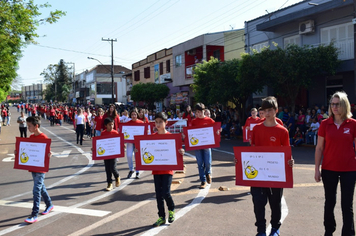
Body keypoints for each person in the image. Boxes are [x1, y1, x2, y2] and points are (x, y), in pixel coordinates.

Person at [250, 96, 294, 236]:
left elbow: (287, 153)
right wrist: (241, 161)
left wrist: (290, 161)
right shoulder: (256, 129)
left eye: (270, 110)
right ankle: (261, 230)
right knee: (258, 202)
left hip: (276, 173)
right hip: (259, 174)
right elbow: (252, 151)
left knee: (275, 203)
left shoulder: (282, 131)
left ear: (276, 110)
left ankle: (275, 228)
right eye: (264, 110)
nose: (267, 113)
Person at [315, 91, 356, 236]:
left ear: (344, 105)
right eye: (332, 104)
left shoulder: (353, 124)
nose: (334, 107)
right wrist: (316, 169)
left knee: (347, 204)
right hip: (329, 168)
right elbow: (319, 148)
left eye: (337, 104)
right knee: (329, 202)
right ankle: (329, 230)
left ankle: (348, 233)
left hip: (349, 169)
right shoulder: (325, 124)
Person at [151, 112, 185, 227]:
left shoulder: (172, 137)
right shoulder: (152, 137)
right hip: (156, 170)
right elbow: (147, 150)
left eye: (161, 122)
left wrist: (181, 152)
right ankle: (161, 216)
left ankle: (171, 209)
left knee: (165, 192)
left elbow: (178, 150)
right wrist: (138, 151)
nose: (158, 124)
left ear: (166, 123)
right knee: (158, 195)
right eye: (156, 122)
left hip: (168, 170)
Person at [17, 116, 54, 223]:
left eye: (29, 126)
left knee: (36, 190)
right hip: (33, 167)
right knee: (41, 188)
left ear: (36, 126)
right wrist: (17, 153)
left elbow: (48, 152)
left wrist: (49, 154)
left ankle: (34, 214)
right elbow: (25, 151)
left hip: (41, 168)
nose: (28, 128)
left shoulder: (44, 138)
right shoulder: (31, 138)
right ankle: (49, 204)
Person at [191, 103, 216, 189]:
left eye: (200, 112)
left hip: (207, 144)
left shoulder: (209, 120)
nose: (198, 114)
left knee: (208, 162)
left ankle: (208, 173)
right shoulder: (193, 121)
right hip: (197, 145)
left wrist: (218, 130)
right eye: (197, 112)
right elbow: (190, 132)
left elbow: (215, 128)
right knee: (200, 163)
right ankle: (203, 180)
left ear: (204, 111)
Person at [100, 117, 121, 191]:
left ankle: (117, 176)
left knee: (113, 167)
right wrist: (95, 149)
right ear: (106, 125)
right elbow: (101, 144)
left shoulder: (115, 132)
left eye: (112, 124)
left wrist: (122, 145)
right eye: (109, 125)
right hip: (106, 154)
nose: (111, 126)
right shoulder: (103, 133)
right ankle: (109, 183)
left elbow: (119, 142)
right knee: (107, 169)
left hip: (114, 154)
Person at [126, 108, 143, 179]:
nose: (133, 116)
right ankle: (131, 169)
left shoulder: (141, 123)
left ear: (137, 115)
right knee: (129, 155)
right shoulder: (127, 123)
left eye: (135, 114)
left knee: (137, 156)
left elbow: (144, 133)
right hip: (130, 141)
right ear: (130, 115)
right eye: (132, 114)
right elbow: (124, 132)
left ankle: (137, 171)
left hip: (137, 142)